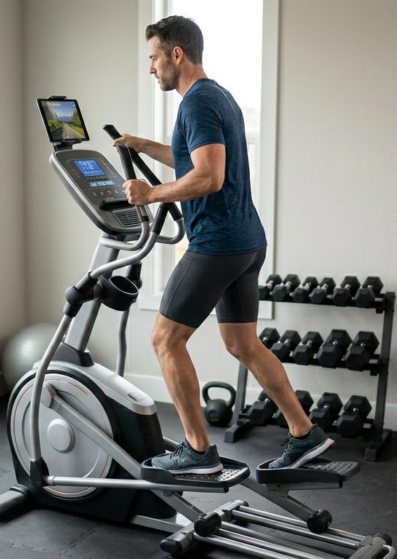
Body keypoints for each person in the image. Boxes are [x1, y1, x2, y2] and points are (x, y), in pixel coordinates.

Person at [113, 15, 333, 475]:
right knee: (243, 343)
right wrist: (141, 145)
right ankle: (304, 433)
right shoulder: (218, 97)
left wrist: (150, 193)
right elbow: (195, 157)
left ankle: (196, 451)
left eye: (154, 58)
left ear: (176, 54)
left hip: (217, 244)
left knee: (165, 340)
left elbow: (208, 177)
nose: (150, 68)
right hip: (247, 242)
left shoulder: (194, 104)